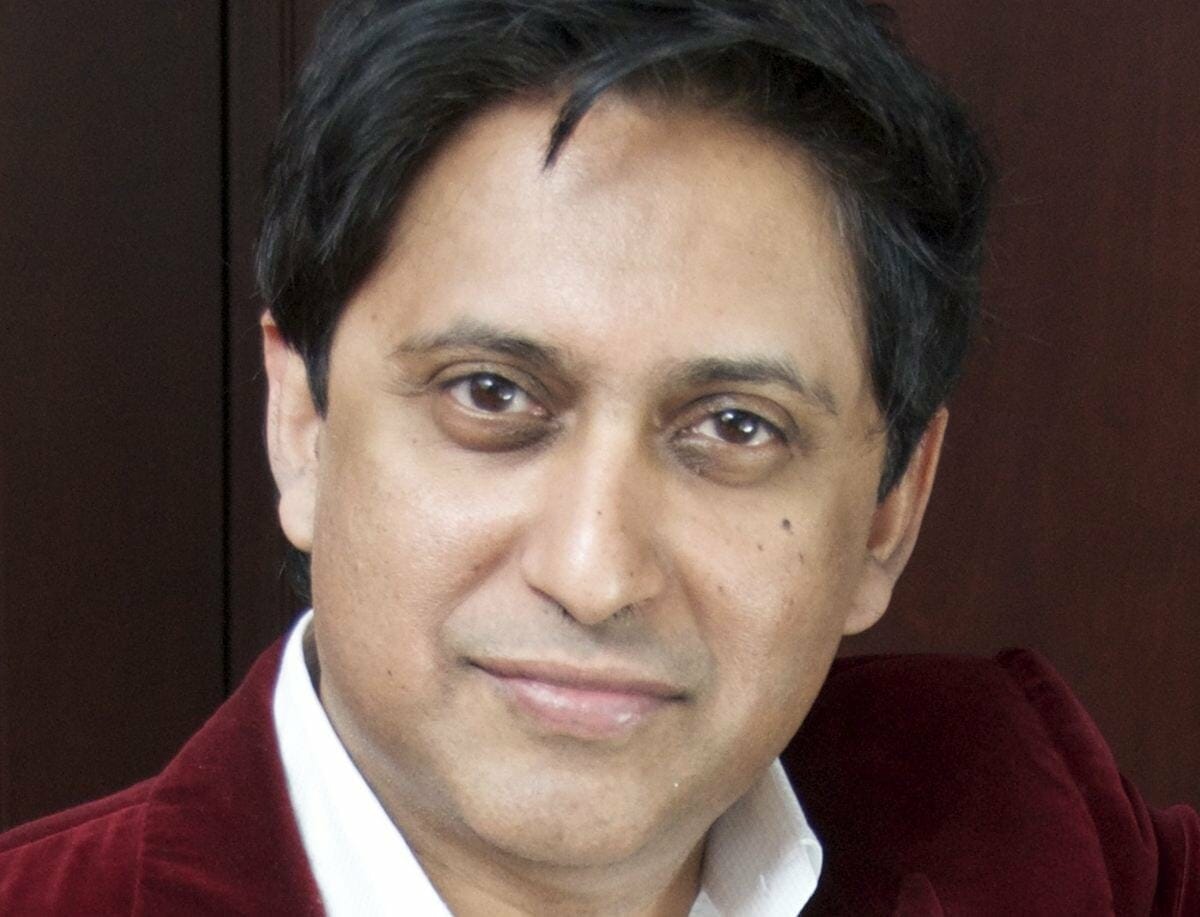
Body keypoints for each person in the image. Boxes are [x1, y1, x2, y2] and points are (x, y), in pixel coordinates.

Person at [1, 1, 1195, 914]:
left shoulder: (1020, 824)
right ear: (301, 426)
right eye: (491, 394)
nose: (594, 572)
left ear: (891, 511)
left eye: (736, 426)